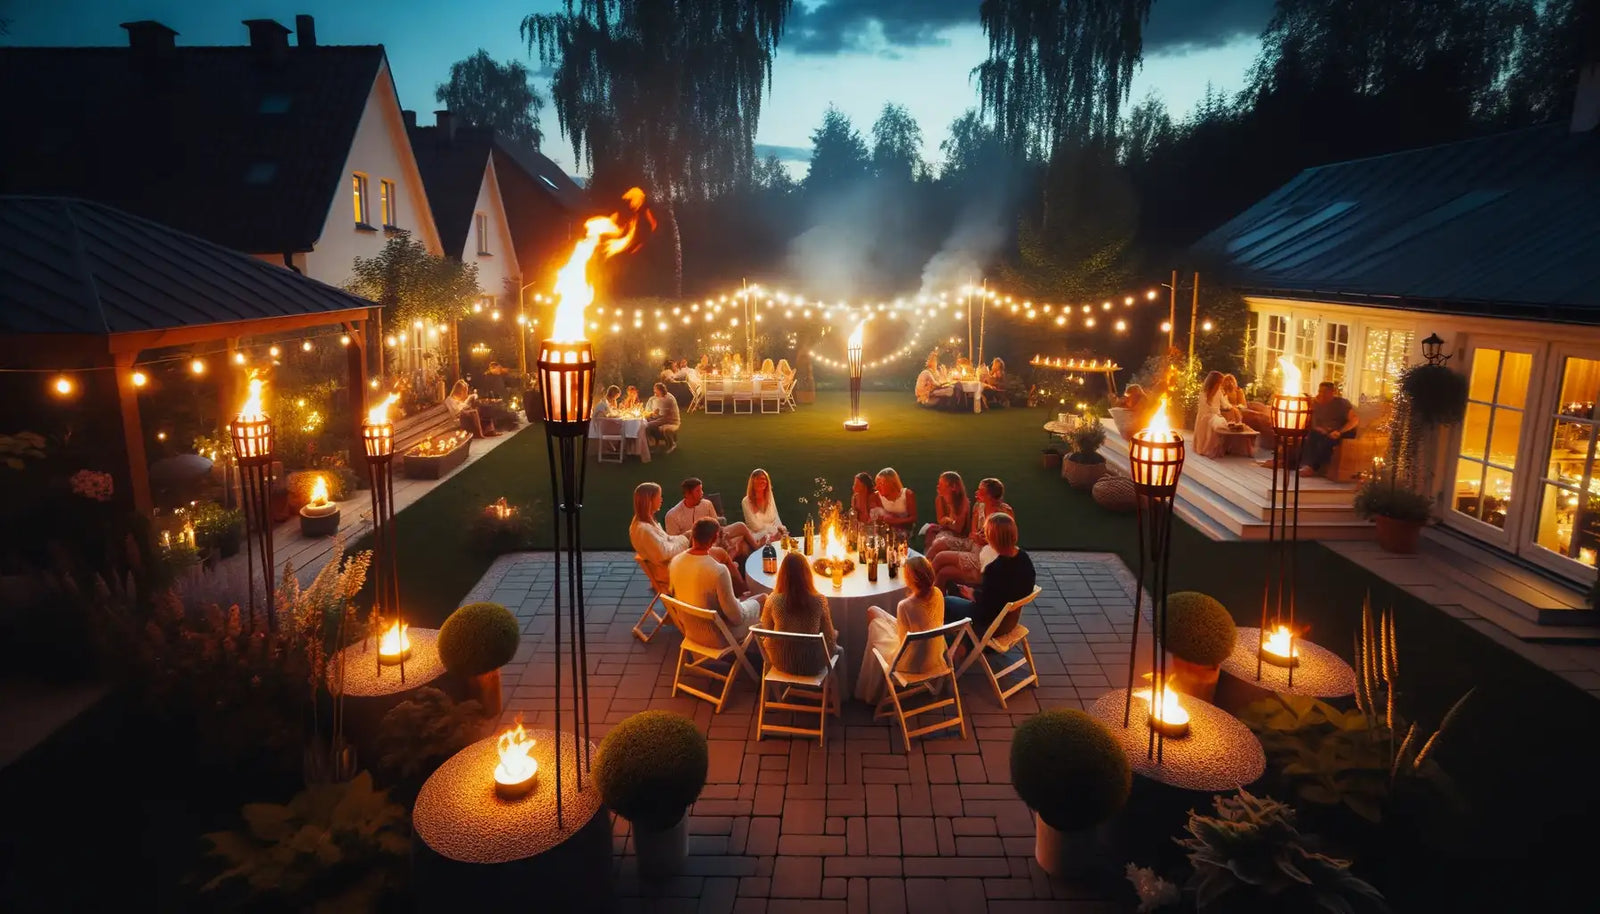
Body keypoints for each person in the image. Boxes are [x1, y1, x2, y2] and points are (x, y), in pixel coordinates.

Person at [857, 555, 945, 705]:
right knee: (874, 610)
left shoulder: (905, 605)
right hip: (935, 655)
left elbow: (902, 640)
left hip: (910, 663)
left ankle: (870, 690)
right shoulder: (938, 593)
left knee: (874, 623)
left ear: (911, 579)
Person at [945, 514, 1034, 650]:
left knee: (946, 602)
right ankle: (963, 640)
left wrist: (972, 594)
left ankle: (957, 645)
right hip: (1010, 620)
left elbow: (985, 609)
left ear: (993, 539)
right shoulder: (1024, 558)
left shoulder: (995, 569)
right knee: (958, 589)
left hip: (992, 624)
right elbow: (1006, 592)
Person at [631, 482, 743, 585]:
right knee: (721, 555)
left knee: (721, 554)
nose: (661, 499)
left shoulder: (645, 524)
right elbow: (664, 553)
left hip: (671, 564)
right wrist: (685, 539)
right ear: (649, 501)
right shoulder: (644, 530)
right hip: (672, 570)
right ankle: (741, 589)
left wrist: (686, 535)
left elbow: (667, 542)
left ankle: (732, 576)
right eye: (658, 496)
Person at [671, 519, 762, 635]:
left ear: (692, 536)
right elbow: (737, 618)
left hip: (691, 631)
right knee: (763, 598)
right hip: (718, 634)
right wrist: (750, 601)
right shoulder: (718, 570)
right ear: (714, 539)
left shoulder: (675, 562)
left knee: (747, 598)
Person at [665, 477, 765, 578]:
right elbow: (675, 543)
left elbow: (716, 525)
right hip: (696, 545)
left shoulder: (707, 504)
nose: (702, 493)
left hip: (714, 535)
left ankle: (758, 549)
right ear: (687, 494)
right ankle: (729, 563)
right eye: (698, 491)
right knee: (740, 544)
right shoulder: (673, 515)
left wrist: (723, 535)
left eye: (701, 489)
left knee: (740, 526)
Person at [758, 551, 839, 675]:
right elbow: (830, 642)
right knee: (840, 650)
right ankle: (840, 693)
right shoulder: (818, 601)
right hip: (811, 664)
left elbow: (765, 629)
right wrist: (836, 635)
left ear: (782, 574)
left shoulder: (773, 600)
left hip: (781, 661)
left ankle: (775, 693)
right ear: (807, 574)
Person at [929, 477, 1014, 587]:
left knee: (942, 562)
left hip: (985, 555)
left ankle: (923, 584)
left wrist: (986, 540)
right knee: (940, 544)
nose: (976, 492)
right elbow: (972, 533)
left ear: (990, 495)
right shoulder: (978, 506)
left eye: (981, 491)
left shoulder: (1004, 512)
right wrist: (976, 537)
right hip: (973, 544)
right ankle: (918, 574)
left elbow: (1007, 541)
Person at [1299, 381, 1358, 476]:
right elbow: (1315, 425)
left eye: (1324, 392)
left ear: (1332, 392)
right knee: (1312, 435)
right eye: (1320, 391)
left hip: (1344, 431)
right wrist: (1324, 431)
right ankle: (1305, 465)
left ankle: (1314, 468)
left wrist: (1339, 432)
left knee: (1327, 440)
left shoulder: (1341, 403)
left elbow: (1354, 420)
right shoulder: (1316, 404)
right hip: (1327, 431)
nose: (1321, 394)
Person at [921, 471, 971, 551]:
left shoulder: (965, 503)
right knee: (931, 532)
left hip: (961, 537)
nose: (938, 487)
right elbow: (940, 520)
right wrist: (949, 522)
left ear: (953, 487)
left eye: (941, 484)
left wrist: (950, 503)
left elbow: (958, 529)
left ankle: (928, 559)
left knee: (940, 541)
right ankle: (927, 558)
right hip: (946, 531)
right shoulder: (939, 499)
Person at [1192, 371, 1231, 458]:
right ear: (1214, 382)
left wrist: (1231, 407)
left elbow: (1224, 404)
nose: (1220, 384)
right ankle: (1209, 448)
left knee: (1220, 421)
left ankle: (1220, 447)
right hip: (1205, 416)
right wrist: (1216, 413)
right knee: (1218, 422)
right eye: (1219, 382)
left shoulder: (1219, 392)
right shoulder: (1204, 393)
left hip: (1214, 415)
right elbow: (1206, 407)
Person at [741, 468, 786, 540]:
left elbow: (776, 518)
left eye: (764, 479)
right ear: (752, 482)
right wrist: (772, 531)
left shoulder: (770, 497)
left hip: (773, 533)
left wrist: (781, 530)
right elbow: (755, 526)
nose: (762, 481)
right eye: (758, 479)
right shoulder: (746, 501)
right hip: (757, 536)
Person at [645, 382, 681, 452]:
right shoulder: (659, 397)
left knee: (648, 425)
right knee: (646, 420)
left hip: (671, 421)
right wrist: (652, 414)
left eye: (655, 390)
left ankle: (671, 444)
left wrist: (653, 416)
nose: (654, 391)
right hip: (662, 419)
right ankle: (654, 442)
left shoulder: (668, 399)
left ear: (660, 390)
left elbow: (664, 418)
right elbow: (657, 413)